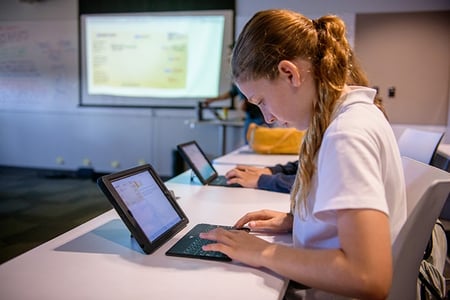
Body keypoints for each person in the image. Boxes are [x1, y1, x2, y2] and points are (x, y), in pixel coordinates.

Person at [199, 9, 406, 299]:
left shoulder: (347, 134)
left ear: (289, 73)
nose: (267, 118)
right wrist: (301, 221)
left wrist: (263, 252)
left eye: (262, 101)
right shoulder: (349, 115)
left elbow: (368, 276)